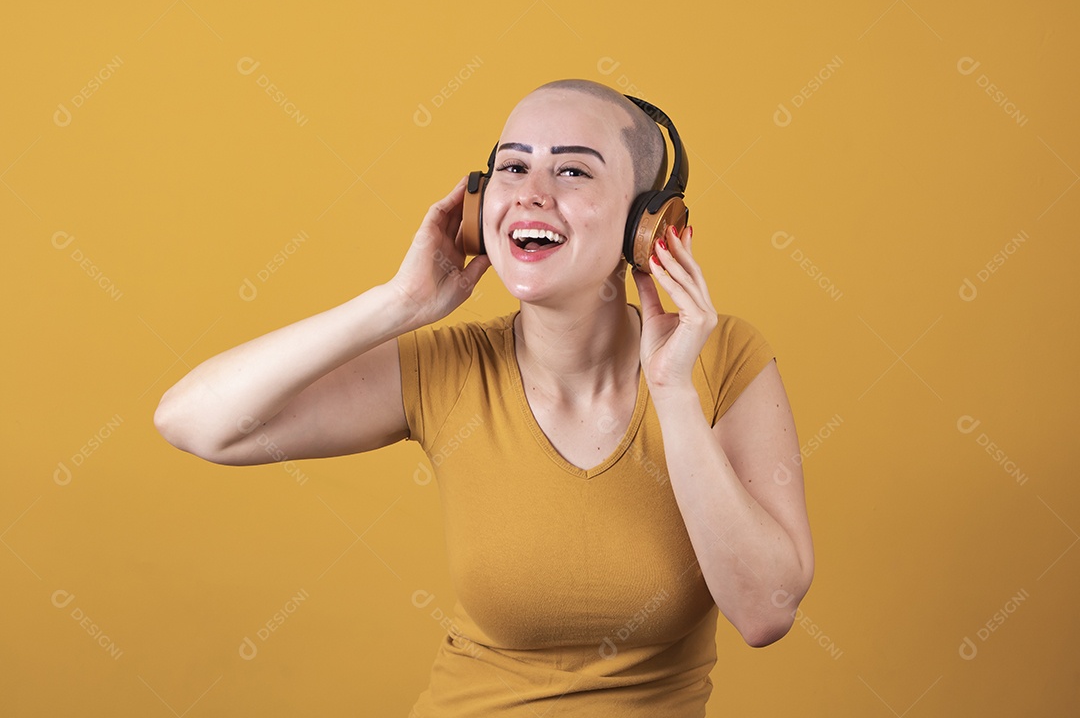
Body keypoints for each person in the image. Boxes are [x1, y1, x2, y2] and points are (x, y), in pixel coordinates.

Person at [155, 78, 814, 716]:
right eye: (511, 168)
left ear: (650, 224)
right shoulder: (451, 368)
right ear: (478, 205)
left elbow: (764, 611)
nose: (531, 195)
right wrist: (397, 304)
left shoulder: (722, 360)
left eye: (573, 172)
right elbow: (195, 423)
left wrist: (673, 398)